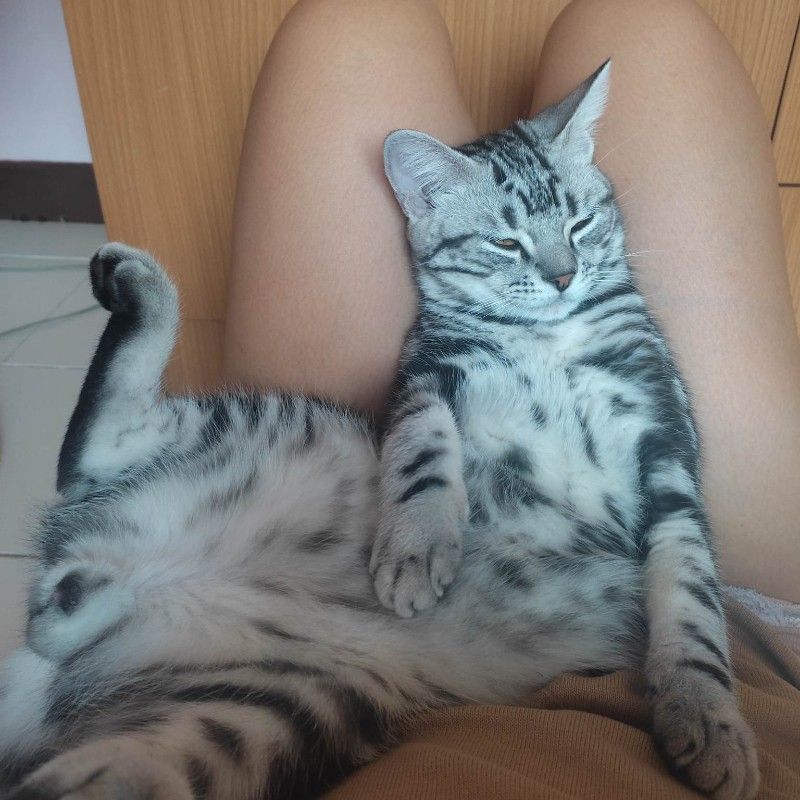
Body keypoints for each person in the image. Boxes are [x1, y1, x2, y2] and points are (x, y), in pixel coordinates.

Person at [222, 1, 800, 796]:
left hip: (395, 662)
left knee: (352, 24)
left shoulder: (599, 300)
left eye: (580, 227)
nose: (564, 271)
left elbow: (673, 502)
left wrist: (691, 676)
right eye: (508, 244)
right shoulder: (465, 321)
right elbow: (429, 391)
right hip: (741, 652)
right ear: (427, 207)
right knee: (645, 18)